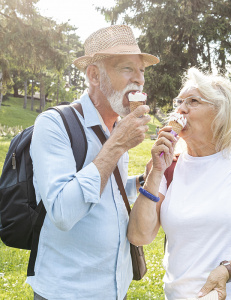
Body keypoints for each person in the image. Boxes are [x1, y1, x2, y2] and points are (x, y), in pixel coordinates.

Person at [127, 67, 231, 300]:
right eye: (179, 101)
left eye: (193, 101)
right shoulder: (167, 168)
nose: (181, 109)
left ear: (220, 112)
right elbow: (138, 236)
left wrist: (227, 270)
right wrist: (155, 173)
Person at [27, 25, 159, 300]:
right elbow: (63, 211)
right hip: (68, 291)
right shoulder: (54, 124)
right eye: (127, 69)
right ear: (94, 75)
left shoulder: (116, 127)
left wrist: (144, 179)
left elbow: (110, 189)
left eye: (142, 71)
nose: (139, 80)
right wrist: (118, 144)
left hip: (115, 288)